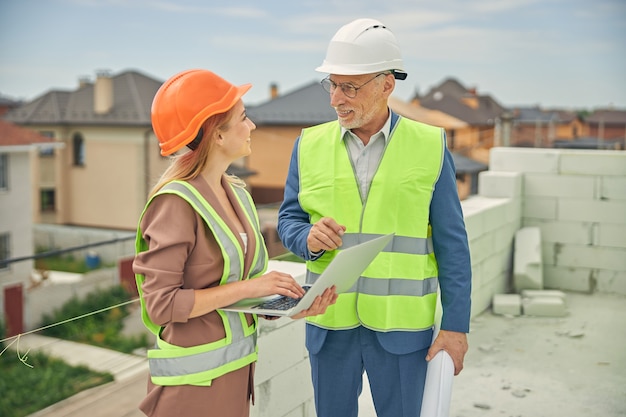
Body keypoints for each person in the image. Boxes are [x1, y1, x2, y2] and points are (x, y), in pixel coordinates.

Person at [277, 18, 472, 417]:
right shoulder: (308, 145)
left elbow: (453, 244)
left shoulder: (430, 145)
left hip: (403, 331)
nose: (336, 99)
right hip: (329, 326)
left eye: (350, 86)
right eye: (332, 84)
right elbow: (288, 221)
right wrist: (307, 238)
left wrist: (455, 327)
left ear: (387, 84)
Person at [133, 69, 337, 417]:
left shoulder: (238, 194)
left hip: (234, 377)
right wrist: (254, 285)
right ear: (217, 134)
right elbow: (161, 305)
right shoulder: (175, 203)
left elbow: (233, 292)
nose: (252, 126)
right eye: (243, 118)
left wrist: (286, 305)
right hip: (192, 389)